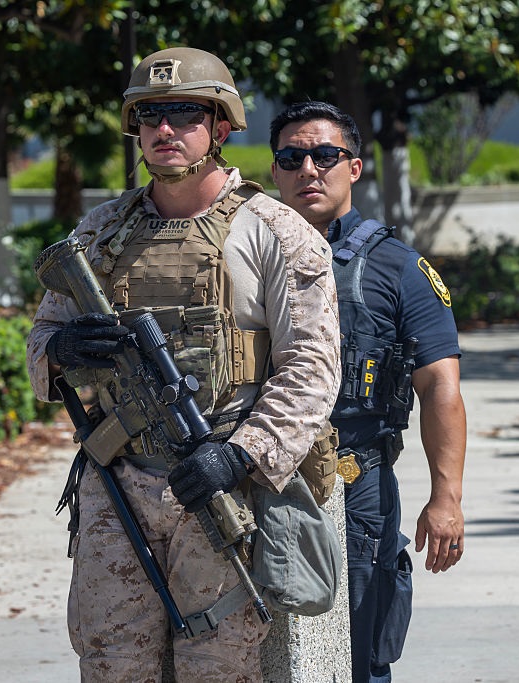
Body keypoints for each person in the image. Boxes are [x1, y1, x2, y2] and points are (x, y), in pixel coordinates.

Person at [26, 47, 341, 682]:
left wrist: (241, 453)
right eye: (150, 117)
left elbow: (312, 368)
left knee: (219, 667)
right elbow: (42, 345)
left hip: (221, 484)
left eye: (183, 114)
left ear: (220, 127)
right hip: (119, 480)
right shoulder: (100, 234)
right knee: (112, 662)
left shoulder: (274, 231)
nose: (164, 130)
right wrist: (61, 352)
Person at [269, 101, 467, 683]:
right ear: (276, 170)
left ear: (353, 167)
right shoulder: (244, 258)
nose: (309, 168)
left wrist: (447, 497)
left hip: (356, 488)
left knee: (361, 654)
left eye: (326, 155)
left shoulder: (398, 267)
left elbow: (440, 387)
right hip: (258, 480)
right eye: (292, 157)